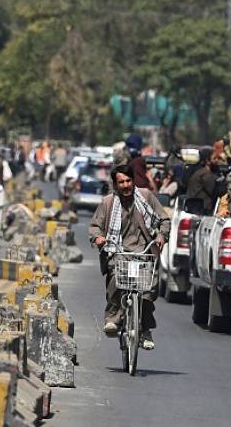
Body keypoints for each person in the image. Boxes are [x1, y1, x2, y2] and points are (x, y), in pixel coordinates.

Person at [88, 165, 170, 350]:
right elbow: (95, 226)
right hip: (118, 252)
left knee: (148, 290)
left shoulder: (146, 196)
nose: (126, 185)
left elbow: (164, 219)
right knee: (116, 279)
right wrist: (99, 238)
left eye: (128, 181)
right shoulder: (108, 202)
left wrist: (162, 235)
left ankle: (145, 328)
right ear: (116, 184)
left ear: (133, 181)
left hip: (143, 252)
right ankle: (113, 319)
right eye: (121, 182)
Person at [186, 149, 218, 214]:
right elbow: (216, 191)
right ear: (207, 161)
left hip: (195, 208)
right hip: (202, 211)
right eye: (214, 158)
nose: (217, 161)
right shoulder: (206, 175)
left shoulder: (200, 172)